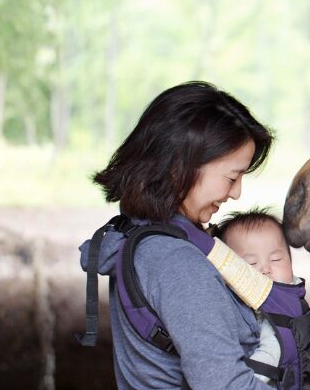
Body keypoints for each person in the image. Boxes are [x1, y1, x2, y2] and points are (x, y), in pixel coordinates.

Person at [79, 81, 276, 389]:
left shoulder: (142, 234)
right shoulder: (177, 263)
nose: (236, 193)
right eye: (232, 176)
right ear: (179, 166)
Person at [213, 208, 303, 387]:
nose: (265, 269)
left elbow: (270, 354)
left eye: (276, 259)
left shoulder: (282, 309)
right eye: (251, 263)